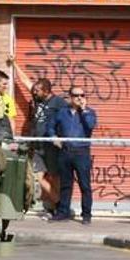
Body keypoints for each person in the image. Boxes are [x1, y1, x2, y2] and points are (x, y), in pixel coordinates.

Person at [13, 60, 67, 214]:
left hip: (50, 146)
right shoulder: (37, 98)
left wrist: (61, 138)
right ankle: (60, 203)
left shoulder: (58, 102)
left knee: (55, 176)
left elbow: (68, 118)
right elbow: (25, 81)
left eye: (37, 90)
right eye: (35, 89)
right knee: (37, 176)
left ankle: (55, 207)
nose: (34, 92)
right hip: (37, 146)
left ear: (47, 91)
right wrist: (15, 63)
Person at [47, 87, 97, 225]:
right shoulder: (62, 112)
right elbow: (50, 126)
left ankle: (86, 215)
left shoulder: (90, 113)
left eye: (82, 95)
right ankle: (63, 212)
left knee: (85, 185)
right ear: (70, 97)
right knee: (65, 184)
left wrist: (84, 110)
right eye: (76, 95)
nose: (79, 98)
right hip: (65, 152)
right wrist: (53, 137)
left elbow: (90, 126)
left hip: (82, 152)